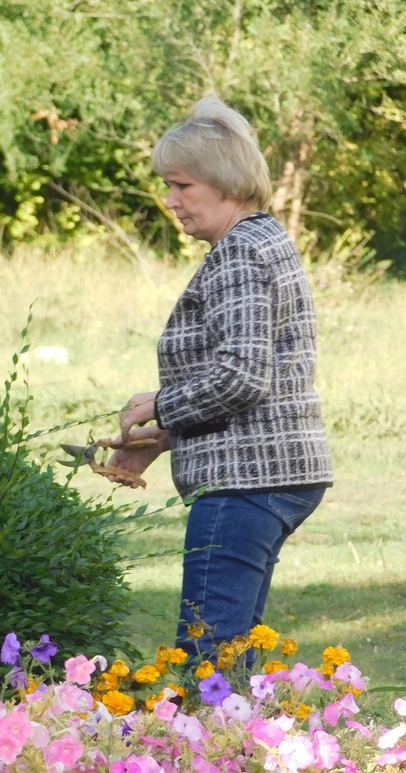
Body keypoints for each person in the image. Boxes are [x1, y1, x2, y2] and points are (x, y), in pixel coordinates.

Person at [102, 96, 334, 661]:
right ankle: (247, 746)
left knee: (207, 656)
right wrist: (166, 437)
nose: (170, 200)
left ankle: (214, 749)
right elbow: (255, 374)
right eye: (168, 185)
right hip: (272, 469)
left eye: (182, 185)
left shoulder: (238, 254)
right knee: (232, 657)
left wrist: (158, 404)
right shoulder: (266, 239)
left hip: (246, 480)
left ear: (226, 182)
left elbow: (240, 375)